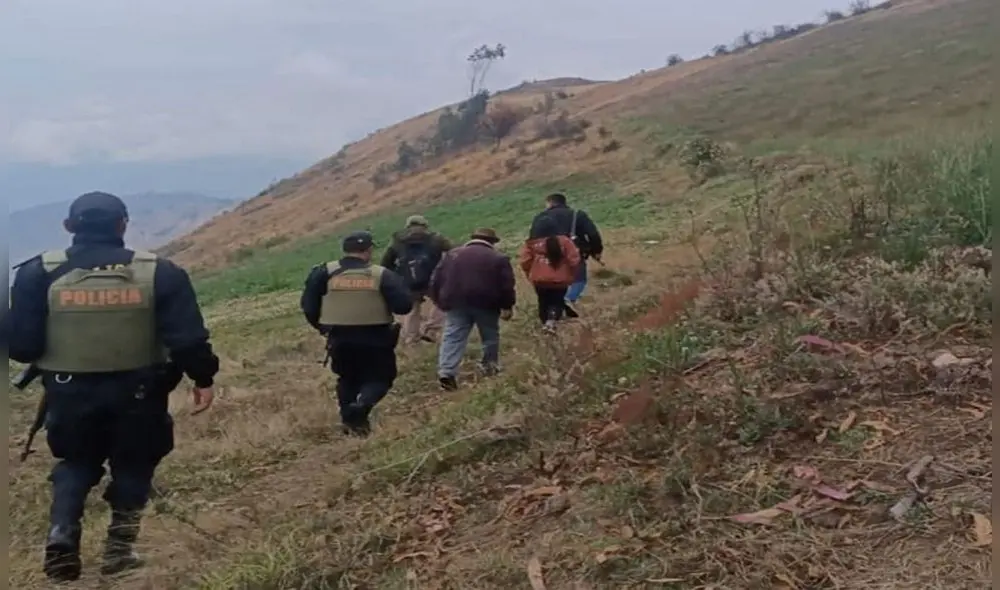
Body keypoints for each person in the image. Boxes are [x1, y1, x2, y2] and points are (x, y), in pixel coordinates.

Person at [0, 191, 219, 583]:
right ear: (123, 225)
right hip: (141, 392)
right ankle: (119, 552)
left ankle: (62, 532)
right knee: (134, 464)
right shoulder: (160, 272)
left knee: (76, 462)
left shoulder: (37, 273)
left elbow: (21, 347)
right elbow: (187, 340)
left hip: (68, 392)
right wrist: (203, 378)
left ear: (69, 227)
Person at [300, 230, 413, 436]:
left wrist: (323, 328)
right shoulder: (381, 274)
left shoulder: (324, 272)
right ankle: (362, 405)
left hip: (339, 337)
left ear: (345, 250)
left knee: (347, 379)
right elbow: (403, 306)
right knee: (380, 378)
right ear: (369, 251)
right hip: (376, 337)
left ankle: (352, 424)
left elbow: (308, 306)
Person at [428, 228, 516, 391]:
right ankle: (490, 366)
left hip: (455, 303)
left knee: (453, 336)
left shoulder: (452, 255)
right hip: (486, 304)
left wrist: (439, 301)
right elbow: (506, 286)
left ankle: (447, 372)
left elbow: (435, 279)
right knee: (489, 336)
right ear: (492, 242)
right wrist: (507, 306)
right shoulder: (498, 258)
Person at [527, 192, 604, 316]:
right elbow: (593, 234)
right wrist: (596, 251)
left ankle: (553, 313)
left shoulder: (540, 217)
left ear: (549, 203)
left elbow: (533, 239)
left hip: (548, 256)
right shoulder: (577, 215)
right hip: (575, 253)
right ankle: (568, 299)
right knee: (579, 280)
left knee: (555, 283)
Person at [379, 215, 452, 344]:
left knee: (412, 309)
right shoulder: (436, 239)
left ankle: (411, 338)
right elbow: (453, 251)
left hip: (408, 280)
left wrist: (395, 276)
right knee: (442, 303)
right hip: (432, 278)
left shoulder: (398, 241)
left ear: (408, 226)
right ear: (425, 226)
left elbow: (385, 262)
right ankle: (431, 330)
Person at [518, 218, 582, 333]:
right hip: (560, 279)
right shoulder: (565, 241)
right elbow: (574, 260)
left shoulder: (531, 243)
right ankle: (551, 321)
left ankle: (545, 323)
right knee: (557, 301)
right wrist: (571, 273)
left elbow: (525, 262)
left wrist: (530, 273)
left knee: (543, 301)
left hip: (539, 279)